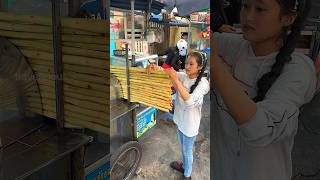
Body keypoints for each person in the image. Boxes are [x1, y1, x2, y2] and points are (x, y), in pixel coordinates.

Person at [211, 0, 317, 179]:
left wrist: (216, 65)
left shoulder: (299, 70)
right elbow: (204, 39)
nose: (248, 16)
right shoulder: (236, 46)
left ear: (287, 18)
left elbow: (259, 129)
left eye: (260, 9)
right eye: (245, 6)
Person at [147, 52, 210, 180]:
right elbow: (168, 72)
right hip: (181, 120)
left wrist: (175, 81)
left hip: (190, 125)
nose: (187, 66)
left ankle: (187, 175)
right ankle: (185, 167)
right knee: (182, 147)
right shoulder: (184, 76)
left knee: (187, 151)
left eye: (191, 64)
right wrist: (155, 67)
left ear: (199, 67)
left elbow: (190, 101)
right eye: (186, 63)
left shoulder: (203, 84)